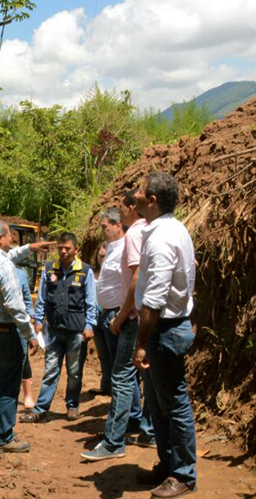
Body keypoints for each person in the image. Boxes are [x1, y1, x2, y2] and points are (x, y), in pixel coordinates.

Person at [132, 172, 198, 498]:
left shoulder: (161, 239)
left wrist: (141, 343)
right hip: (167, 329)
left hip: (165, 331)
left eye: (141, 191)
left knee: (173, 405)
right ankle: (168, 465)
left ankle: (184, 474)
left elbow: (154, 301)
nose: (136, 194)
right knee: (159, 405)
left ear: (153, 200)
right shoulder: (170, 230)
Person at [82, 192, 155, 463]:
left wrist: (123, 314)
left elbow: (136, 277)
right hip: (136, 315)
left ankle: (114, 441)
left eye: (123, 209)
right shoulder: (154, 231)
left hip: (131, 317)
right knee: (136, 376)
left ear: (131, 210)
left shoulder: (136, 234)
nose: (121, 216)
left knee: (123, 378)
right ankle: (147, 431)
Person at [0, 220, 54, 453]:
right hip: (6, 332)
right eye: (9, 236)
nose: (12, 240)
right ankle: (4, 437)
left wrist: (30, 249)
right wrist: (31, 335)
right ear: (0, 238)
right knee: (8, 387)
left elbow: (8, 256)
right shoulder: (4, 266)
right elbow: (16, 307)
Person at [20, 232, 97, 423]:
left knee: (74, 371)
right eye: (60, 248)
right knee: (50, 371)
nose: (63, 251)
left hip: (76, 332)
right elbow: (43, 298)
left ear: (75, 250)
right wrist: (38, 321)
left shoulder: (85, 271)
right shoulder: (49, 270)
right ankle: (41, 409)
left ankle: (72, 406)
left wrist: (89, 325)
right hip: (54, 330)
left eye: (67, 248)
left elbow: (91, 302)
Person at [12, 231, 37, 410]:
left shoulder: (21, 275)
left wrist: (32, 318)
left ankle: (28, 395)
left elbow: (27, 300)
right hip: (4, 324)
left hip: (20, 325)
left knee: (23, 359)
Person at [89, 238, 115, 397]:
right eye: (100, 256)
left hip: (110, 314)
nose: (103, 259)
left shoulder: (114, 275)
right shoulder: (91, 273)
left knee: (114, 354)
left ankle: (115, 388)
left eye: (106, 256)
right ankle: (105, 385)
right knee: (103, 355)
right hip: (94, 317)